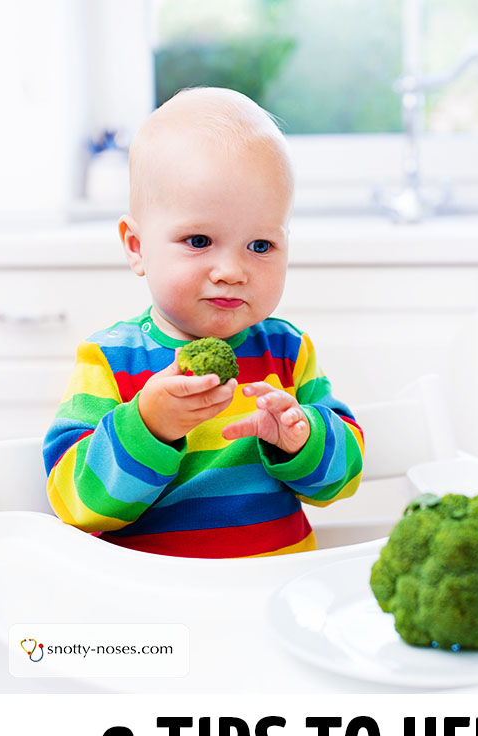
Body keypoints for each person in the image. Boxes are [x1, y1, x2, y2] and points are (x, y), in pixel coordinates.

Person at [43, 87, 364, 558]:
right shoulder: (111, 359)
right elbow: (76, 502)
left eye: (260, 246)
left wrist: (303, 439)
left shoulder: (288, 353)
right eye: (199, 240)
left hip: (274, 591)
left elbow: (343, 479)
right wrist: (147, 426)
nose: (232, 271)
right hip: (157, 601)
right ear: (136, 246)